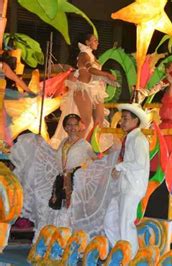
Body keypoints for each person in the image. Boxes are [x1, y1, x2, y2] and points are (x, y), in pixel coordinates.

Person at [11, 114, 116, 237]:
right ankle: (53, 238)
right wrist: (41, 146)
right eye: (69, 125)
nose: (72, 128)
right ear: (65, 128)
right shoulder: (63, 142)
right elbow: (57, 158)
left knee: (69, 212)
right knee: (56, 210)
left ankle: (66, 239)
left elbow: (95, 160)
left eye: (75, 125)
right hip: (60, 182)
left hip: (75, 184)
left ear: (79, 126)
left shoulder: (84, 145)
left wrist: (109, 155)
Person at [50, 34, 116, 147]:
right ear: (87, 42)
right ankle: (75, 148)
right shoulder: (83, 55)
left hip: (95, 90)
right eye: (95, 40)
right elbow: (90, 70)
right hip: (83, 90)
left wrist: (105, 78)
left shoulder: (92, 56)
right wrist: (106, 74)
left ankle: (92, 146)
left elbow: (92, 73)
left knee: (99, 120)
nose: (97, 43)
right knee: (86, 121)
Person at [104, 103, 150, 256]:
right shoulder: (130, 138)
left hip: (132, 187)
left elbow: (140, 163)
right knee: (109, 221)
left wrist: (119, 167)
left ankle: (129, 259)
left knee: (126, 224)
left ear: (135, 121)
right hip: (124, 186)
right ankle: (122, 253)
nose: (122, 122)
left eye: (125, 119)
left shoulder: (139, 139)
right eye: (122, 118)